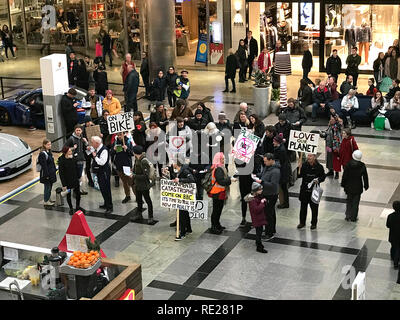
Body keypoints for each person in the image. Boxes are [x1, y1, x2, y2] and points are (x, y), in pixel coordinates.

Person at [254, 153, 280, 240]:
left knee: (268, 214)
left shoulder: (276, 171)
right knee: (270, 212)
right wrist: (256, 176)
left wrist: (261, 182)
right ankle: (271, 229)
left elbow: (273, 185)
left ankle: (269, 233)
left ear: (271, 160)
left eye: (265, 161)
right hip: (265, 193)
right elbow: (263, 174)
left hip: (271, 195)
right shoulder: (267, 167)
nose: (264, 163)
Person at [297, 153, 325, 230]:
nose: (308, 157)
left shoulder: (319, 167)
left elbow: (323, 177)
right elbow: (299, 176)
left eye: (310, 156)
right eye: (308, 156)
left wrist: (318, 180)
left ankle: (314, 223)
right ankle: (302, 222)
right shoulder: (304, 165)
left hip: (314, 190)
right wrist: (298, 169)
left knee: (314, 207)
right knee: (303, 207)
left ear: (314, 157)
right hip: (304, 189)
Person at [169, 161, 196, 240]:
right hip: (182, 195)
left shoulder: (185, 170)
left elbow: (192, 179)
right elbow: (175, 179)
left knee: (182, 214)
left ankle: (182, 233)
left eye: (173, 163)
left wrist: (180, 180)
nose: (172, 164)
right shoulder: (179, 170)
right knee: (185, 213)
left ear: (177, 164)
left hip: (185, 196)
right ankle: (189, 229)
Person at [341, 150, 369, 222]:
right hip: (358, 186)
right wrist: (366, 185)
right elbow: (365, 177)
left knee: (349, 201)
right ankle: (353, 217)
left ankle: (348, 215)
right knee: (356, 203)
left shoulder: (348, 164)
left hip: (349, 186)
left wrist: (343, 184)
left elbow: (345, 176)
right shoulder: (362, 165)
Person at [208, 152, 232, 234]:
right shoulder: (218, 169)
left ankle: (217, 224)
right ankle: (214, 226)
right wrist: (229, 180)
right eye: (222, 158)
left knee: (218, 209)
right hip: (217, 193)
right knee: (216, 210)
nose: (224, 159)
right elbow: (221, 181)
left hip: (219, 192)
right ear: (218, 159)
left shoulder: (220, 167)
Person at [58, 146, 85, 215]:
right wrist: (64, 184)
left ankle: (77, 206)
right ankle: (71, 208)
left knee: (78, 193)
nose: (71, 152)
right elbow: (61, 174)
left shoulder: (73, 158)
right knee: (68, 195)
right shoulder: (62, 161)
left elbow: (76, 168)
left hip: (75, 179)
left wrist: (79, 177)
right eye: (69, 151)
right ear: (66, 152)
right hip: (68, 180)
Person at [131, 145, 154, 224]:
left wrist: (134, 176)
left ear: (135, 152)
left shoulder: (143, 160)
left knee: (148, 201)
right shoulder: (137, 159)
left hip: (144, 185)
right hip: (138, 184)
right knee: (139, 200)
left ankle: (150, 217)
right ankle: (139, 214)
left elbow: (145, 176)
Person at [111, 132, 135, 203]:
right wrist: (114, 150)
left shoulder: (128, 141)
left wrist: (127, 149)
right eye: (117, 135)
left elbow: (132, 153)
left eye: (120, 135)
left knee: (131, 182)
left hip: (127, 165)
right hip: (119, 165)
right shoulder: (115, 142)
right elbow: (111, 153)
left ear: (124, 134)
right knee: (124, 182)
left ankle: (137, 196)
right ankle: (127, 196)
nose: (119, 136)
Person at [91, 136, 113, 215]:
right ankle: (106, 203)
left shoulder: (104, 150)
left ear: (97, 143)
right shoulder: (97, 148)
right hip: (100, 172)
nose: (91, 144)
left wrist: (95, 156)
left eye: (92, 142)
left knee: (106, 189)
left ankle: (109, 207)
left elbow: (102, 162)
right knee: (102, 188)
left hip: (104, 172)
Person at [244, 182, 268, 253]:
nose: (261, 191)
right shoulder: (252, 200)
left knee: (259, 231)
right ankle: (259, 246)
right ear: (255, 191)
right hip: (257, 219)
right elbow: (256, 210)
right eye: (260, 190)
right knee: (259, 232)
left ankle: (258, 243)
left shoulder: (256, 196)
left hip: (259, 218)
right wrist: (262, 202)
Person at [65, 125, 89, 196]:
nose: (78, 132)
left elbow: (85, 147)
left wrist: (86, 142)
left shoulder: (82, 138)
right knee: (75, 176)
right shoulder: (71, 139)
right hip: (74, 161)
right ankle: (75, 191)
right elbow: (64, 148)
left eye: (79, 130)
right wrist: (72, 148)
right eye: (77, 130)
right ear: (74, 131)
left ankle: (78, 189)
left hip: (81, 160)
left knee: (79, 176)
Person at [320, 113, 343, 179]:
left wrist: (335, 115)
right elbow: (327, 134)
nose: (331, 120)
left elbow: (339, 123)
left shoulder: (338, 126)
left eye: (333, 119)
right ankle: (331, 171)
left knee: (335, 159)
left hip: (335, 146)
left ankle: (337, 173)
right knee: (329, 158)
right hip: (328, 145)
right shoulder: (329, 126)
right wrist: (322, 134)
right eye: (330, 119)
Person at [273, 134, 290, 209]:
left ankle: (285, 203)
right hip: (283, 170)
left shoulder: (281, 150)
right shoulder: (279, 148)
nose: (273, 142)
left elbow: (281, 161)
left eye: (274, 141)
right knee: (283, 188)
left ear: (277, 142)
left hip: (283, 171)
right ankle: (284, 202)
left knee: (284, 188)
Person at [39, 139, 57, 207]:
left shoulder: (49, 152)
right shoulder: (43, 154)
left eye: (50, 144)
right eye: (48, 144)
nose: (50, 146)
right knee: (47, 187)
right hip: (46, 174)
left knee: (50, 187)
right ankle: (46, 201)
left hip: (51, 172)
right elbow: (44, 166)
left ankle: (48, 198)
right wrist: (46, 175)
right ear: (44, 145)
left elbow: (52, 162)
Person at [386, 201, 400, 270]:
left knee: (393, 247)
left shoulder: (390, 216)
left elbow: (387, 225)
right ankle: (396, 262)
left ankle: (392, 257)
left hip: (392, 235)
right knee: (398, 248)